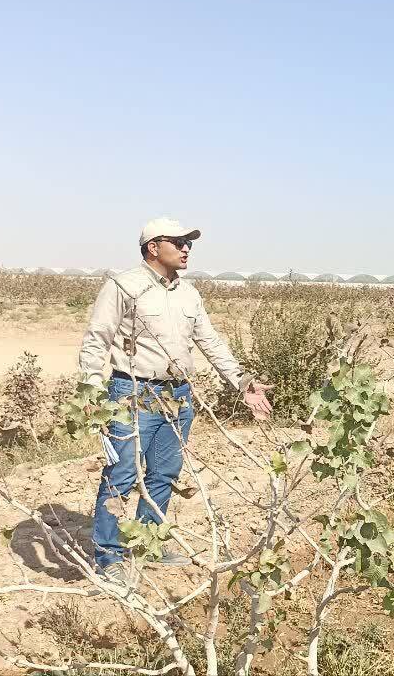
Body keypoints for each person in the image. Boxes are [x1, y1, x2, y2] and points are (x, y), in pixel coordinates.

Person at [78, 218, 274, 583]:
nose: (186, 249)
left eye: (189, 244)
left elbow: (210, 341)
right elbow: (97, 338)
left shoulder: (189, 294)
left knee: (164, 473)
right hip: (132, 394)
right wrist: (91, 390)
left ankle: (149, 543)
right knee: (121, 475)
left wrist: (241, 382)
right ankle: (108, 558)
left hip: (178, 396)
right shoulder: (123, 286)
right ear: (153, 247)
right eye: (179, 242)